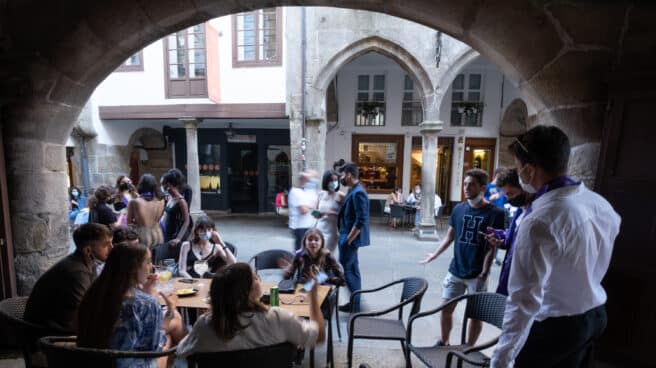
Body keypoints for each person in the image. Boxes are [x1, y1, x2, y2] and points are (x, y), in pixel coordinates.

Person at [490, 126, 621, 368]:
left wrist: (501, 359)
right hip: (594, 315)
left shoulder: (540, 220)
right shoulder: (599, 204)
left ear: (529, 170)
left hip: (555, 327)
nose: (519, 174)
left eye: (519, 168)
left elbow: (524, 300)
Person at [419, 169, 505, 346]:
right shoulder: (458, 209)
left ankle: (468, 347)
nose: (466, 187)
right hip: (456, 269)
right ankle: (444, 341)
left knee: (475, 315)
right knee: (445, 309)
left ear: (482, 187)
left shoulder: (495, 213)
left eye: (471, 184)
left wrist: (485, 272)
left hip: (477, 274)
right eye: (465, 184)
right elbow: (450, 237)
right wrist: (434, 255)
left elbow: (492, 247)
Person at [176, 263, 325, 357]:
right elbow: (318, 336)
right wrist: (313, 298)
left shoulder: (205, 326)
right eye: (255, 278)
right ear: (248, 291)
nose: (259, 279)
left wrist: (175, 317)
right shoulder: (278, 319)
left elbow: (181, 351)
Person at [77, 243, 186, 368]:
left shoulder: (92, 294)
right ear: (134, 267)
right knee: (167, 337)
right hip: (127, 364)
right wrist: (169, 313)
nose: (151, 267)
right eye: (148, 262)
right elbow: (154, 347)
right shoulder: (146, 304)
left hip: (89, 361)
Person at [24, 223, 113, 333]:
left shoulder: (87, 263)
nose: (111, 248)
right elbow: (88, 309)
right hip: (47, 332)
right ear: (87, 251)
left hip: (59, 323)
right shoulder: (78, 272)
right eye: (106, 245)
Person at [482, 169, 532, 296]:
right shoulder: (520, 210)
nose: (508, 199)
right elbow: (511, 237)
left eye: (511, 194)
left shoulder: (535, 213)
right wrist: (499, 236)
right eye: (506, 195)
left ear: (524, 188)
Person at [337, 163, 370, 313]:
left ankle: (355, 306)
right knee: (353, 270)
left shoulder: (358, 192)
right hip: (347, 235)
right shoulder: (353, 190)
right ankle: (355, 304)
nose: (342, 178)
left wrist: (349, 239)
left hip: (349, 237)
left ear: (349, 174)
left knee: (348, 271)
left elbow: (361, 219)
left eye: (343, 175)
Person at [127, 174, 166, 251]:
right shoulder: (161, 201)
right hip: (158, 233)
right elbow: (159, 218)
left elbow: (129, 223)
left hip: (142, 235)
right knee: (156, 261)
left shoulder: (134, 202)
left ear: (141, 185)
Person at [160, 171, 192, 261]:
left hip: (175, 232)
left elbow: (186, 221)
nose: (162, 187)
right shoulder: (169, 197)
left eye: (163, 184)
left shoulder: (181, 201)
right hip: (167, 230)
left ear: (169, 185)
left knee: (174, 258)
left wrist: (178, 238)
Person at [313, 170, 344, 253]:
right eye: (331, 180)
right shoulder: (321, 194)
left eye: (336, 180)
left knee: (326, 255)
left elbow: (345, 214)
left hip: (332, 231)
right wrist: (318, 213)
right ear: (326, 181)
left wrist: (329, 213)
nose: (334, 182)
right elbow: (314, 213)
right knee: (317, 254)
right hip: (319, 229)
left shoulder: (341, 196)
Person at [288, 172, 318, 251]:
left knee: (308, 250)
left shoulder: (305, 192)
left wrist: (319, 214)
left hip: (308, 226)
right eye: (309, 180)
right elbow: (304, 210)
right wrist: (314, 204)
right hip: (300, 227)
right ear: (303, 180)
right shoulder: (296, 192)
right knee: (302, 251)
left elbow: (312, 212)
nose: (312, 182)